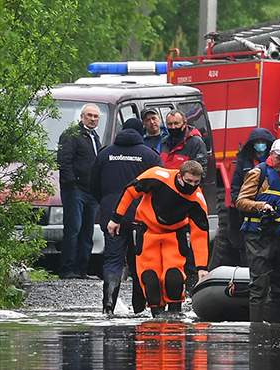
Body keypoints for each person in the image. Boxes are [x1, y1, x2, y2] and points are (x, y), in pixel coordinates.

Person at [106, 161, 209, 318]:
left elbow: (200, 234)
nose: (192, 186)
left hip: (174, 235)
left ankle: (175, 316)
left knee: (173, 278)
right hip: (148, 231)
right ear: (180, 176)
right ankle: (156, 315)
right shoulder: (158, 176)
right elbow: (130, 191)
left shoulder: (197, 200)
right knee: (150, 278)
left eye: (196, 182)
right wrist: (116, 218)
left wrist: (202, 267)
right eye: (189, 181)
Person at [91, 117, 161, 315]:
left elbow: (93, 185)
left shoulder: (105, 153)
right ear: (141, 132)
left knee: (113, 260)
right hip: (141, 216)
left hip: (112, 215)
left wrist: (106, 204)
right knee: (139, 259)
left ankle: (108, 306)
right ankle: (139, 308)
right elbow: (161, 187)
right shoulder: (150, 156)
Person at [236, 137, 280, 323]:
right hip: (258, 234)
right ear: (272, 155)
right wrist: (261, 206)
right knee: (260, 284)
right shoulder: (258, 173)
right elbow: (241, 201)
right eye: (279, 158)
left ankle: (275, 325)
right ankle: (257, 329)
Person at [209, 127, 275, 269]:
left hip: (269, 211)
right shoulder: (244, 161)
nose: (260, 145)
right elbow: (235, 185)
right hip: (247, 212)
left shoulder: (275, 162)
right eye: (257, 142)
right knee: (246, 248)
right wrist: (238, 201)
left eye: (263, 142)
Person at [160, 109, 209, 293]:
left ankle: (191, 280)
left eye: (176, 124)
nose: (173, 128)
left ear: (184, 123)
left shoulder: (195, 143)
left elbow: (200, 172)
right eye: (170, 124)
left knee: (190, 241)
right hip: (166, 199)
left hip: (189, 199)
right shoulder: (164, 142)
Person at [57, 103, 102, 279]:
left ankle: (82, 269)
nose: (92, 119)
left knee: (87, 231)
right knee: (73, 229)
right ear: (82, 116)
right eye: (89, 115)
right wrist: (72, 182)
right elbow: (64, 161)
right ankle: (67, 268)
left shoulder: (95, 137)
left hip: (92, 191)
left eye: (95, 116)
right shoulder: (71, 134)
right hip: (75, 190)